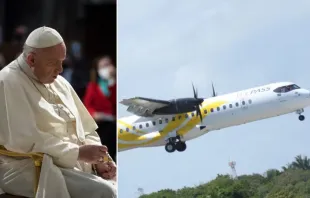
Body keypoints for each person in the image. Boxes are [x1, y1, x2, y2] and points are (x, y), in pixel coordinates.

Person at [0, 26, 117, 198]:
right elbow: (27, 140)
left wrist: (101, 160)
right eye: (53, 63)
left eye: (62, 61)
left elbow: (87, 128)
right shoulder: (8, 82)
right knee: (105, 192)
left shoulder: (60, 82)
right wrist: (78, 153)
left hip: (76, 162)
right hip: (29, 167)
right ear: (31, 60)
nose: (60, 69)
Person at [83, 56, 116, 162]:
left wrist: (113, 82)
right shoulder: (93, 86)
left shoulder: (115, 85)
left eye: (108, 65)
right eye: (103, 66)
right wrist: (95, 114)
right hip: (99, 124)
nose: (107, 68)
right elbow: (87, 106)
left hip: (113, 123)